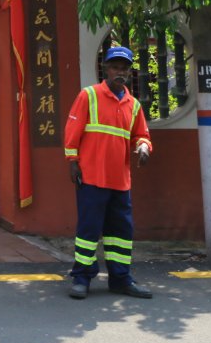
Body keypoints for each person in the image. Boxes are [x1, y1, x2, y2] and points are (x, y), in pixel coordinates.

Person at [63, 45, 153, 300]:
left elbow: (141, 135)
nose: (120, 72)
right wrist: (72, 161)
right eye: (115, 67)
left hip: (120, 181)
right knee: (89, 231)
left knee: (121, 233)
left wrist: (144, 147)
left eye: (124, 68)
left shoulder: (133, 105)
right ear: (105, 69)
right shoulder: (88, 96)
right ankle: (82, 278)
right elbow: (72, 131)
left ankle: (120, 278)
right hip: (91, 177)